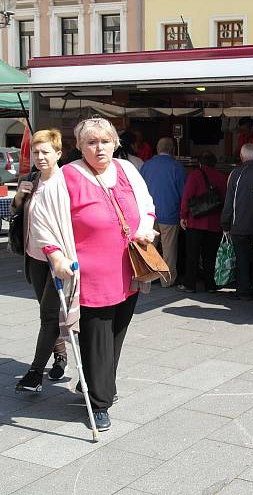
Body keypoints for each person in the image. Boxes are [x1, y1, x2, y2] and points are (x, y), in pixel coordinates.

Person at [30, 116, 157, 431]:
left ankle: (96, 382)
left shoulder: (127, 169)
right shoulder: (67, 176)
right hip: (90, 275)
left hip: (129, 269)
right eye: (91, 142)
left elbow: (146, 205)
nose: (99, 148)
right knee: (97, 336)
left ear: (115, 143)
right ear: (80, 146)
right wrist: (56, 257)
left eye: (104, 141)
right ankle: (99, 402)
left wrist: (146, 229)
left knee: (116, 334)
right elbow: (43, 221)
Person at [14, 129, 68, 392]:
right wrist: (18, 197)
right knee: (47, 313)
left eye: (45, 152)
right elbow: (16, 214)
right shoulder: (30, 180)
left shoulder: (67, 182)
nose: (40, 157)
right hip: (34, 257)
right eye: (36, 152)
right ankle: (60, 356)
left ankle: (35, 373)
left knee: (49, 315)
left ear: (58, 153)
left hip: (58, 259)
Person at [221, 143, 253, 300]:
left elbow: (229, 201)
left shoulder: (235, 174)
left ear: (241, 157)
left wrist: (225, 223)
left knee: (242, 258)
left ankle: (243, 291)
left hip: (239, 224)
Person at [139, 137, 186, 287]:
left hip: (149, 216)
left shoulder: (146, 166)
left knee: (148, 248)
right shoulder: (177, 167)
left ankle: (148, 277)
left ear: (157, 149)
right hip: (170, 214)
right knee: (169, 251)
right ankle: (167, 280)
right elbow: (183, 193)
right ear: (172, 150)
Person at [179, 152, 227, 293]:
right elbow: (224, 199)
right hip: (214, 223)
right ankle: (210, 284)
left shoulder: (195, 175)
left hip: (196, 222)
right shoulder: (221, 177)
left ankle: (190, 284)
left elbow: (186, 196)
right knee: (210, 255)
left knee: (192, 255)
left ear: (201, 163)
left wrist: (183, 215)